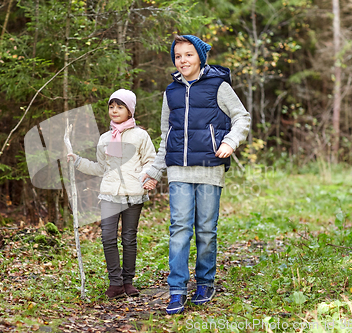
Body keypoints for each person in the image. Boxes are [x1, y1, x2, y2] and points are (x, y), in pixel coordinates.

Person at [142, 35, 251, 314]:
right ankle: (177, 289)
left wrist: (229, 141)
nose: (183, 60)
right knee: (179, 229)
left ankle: (205, 281)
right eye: (178, 56)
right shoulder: (171, 92)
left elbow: (241, 117)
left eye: (188, 55)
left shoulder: (219, 86)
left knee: (205, 229)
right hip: (178, 169)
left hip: (210, 168)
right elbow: (167, 135)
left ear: (200, 57)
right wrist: (155, 170)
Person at [68, 89, 157, 299]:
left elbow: (151, 160)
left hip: (133, 194)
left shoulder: (140, 135)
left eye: (120, 107)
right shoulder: (105, 138)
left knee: (129, 238)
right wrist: (78, 161)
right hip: (109, 193)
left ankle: (128, 282)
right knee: (108, 237)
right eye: (111, 107)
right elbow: (101, 168)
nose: (114, 111)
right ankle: (115, 283)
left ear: (130, 110)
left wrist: (147, 177)